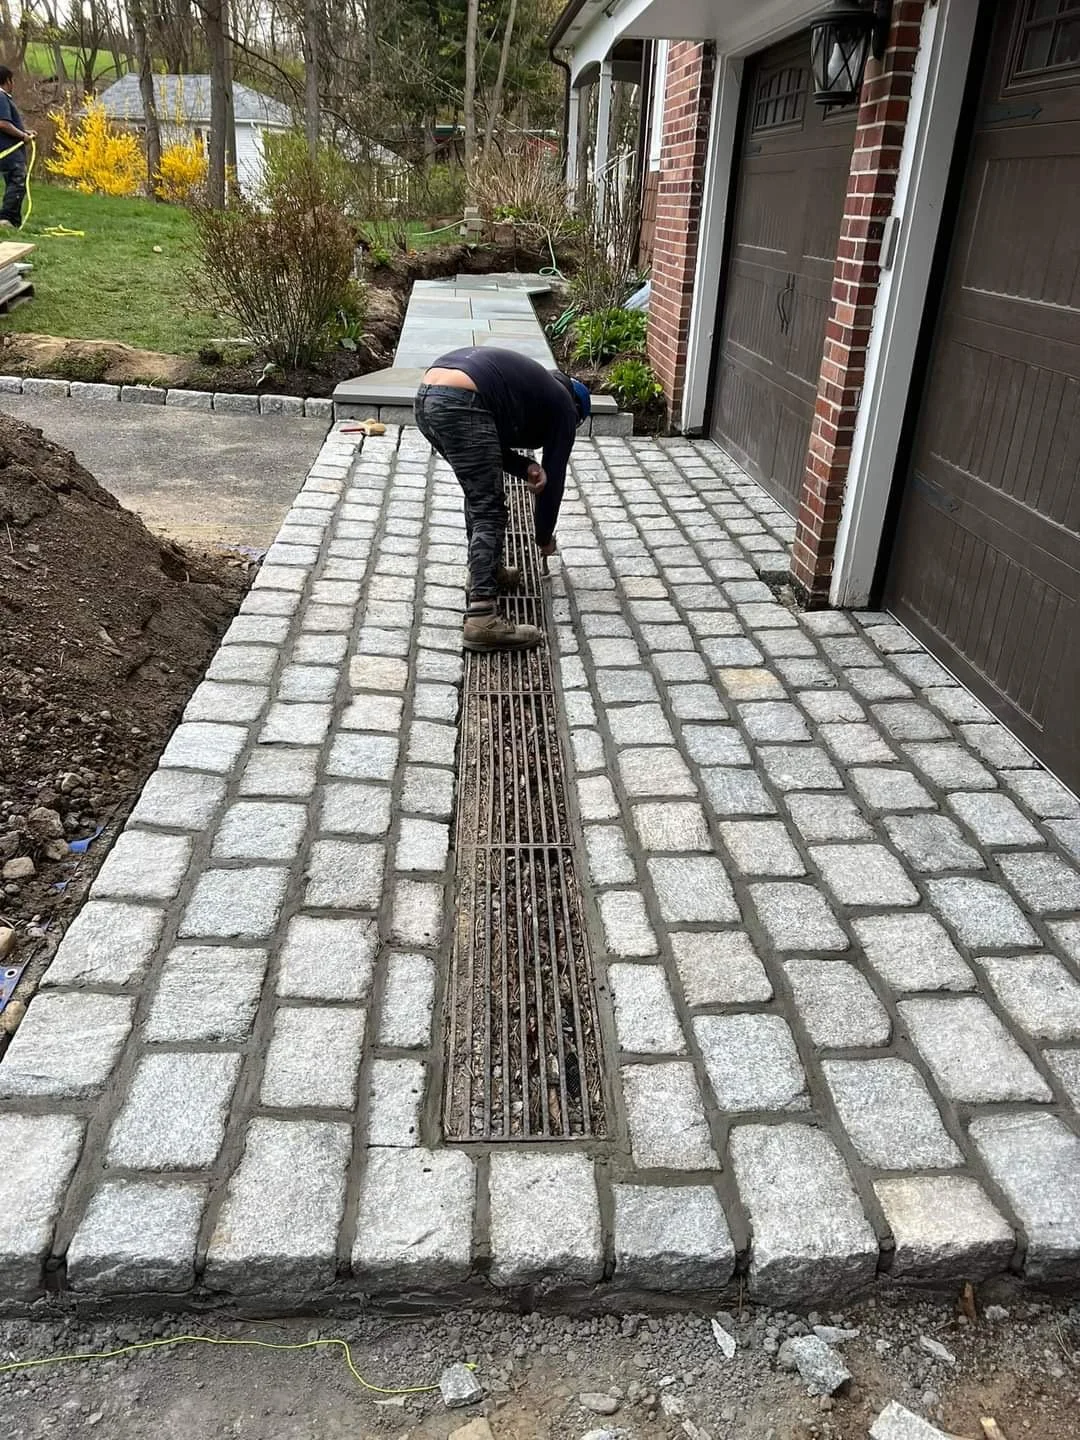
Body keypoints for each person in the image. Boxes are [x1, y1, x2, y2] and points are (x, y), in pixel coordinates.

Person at [415, 347, 591, 652]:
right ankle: (482, 616)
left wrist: (525, 467)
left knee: (478, 492)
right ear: (576, 411)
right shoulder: (564, 405)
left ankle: (488, 571)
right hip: (461, 401)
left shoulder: (531, 386)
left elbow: (486, 437)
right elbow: (555, 481)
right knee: (489, 510)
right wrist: (544, 537)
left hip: (426, 398)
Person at [0, 66, 33, 231]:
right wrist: (22, 136)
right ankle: (6, 220)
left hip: (8, 149)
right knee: (17, 182)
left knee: (15, 183)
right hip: (10, 151)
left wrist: (24, 132)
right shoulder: (1, 97)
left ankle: (12, 221)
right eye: (12, 80)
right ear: (7, 80)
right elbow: (3, 124)